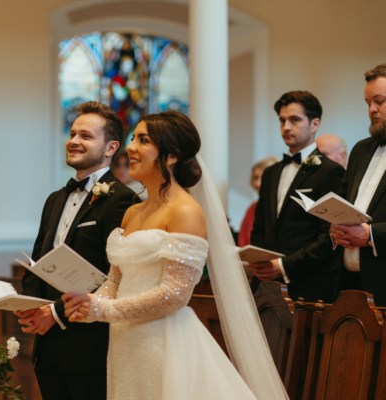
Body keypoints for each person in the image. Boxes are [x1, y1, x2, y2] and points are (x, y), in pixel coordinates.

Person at [62, 111, 288, 399]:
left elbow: (176, 293)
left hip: (163, 340)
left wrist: (104, 310)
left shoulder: (185, 211)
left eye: (143, 140)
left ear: (170, 156)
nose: (130, 148)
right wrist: (90, 303)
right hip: (125, 341)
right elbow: (116, 280)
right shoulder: (132, 212)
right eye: (133, 139)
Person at [16, 101, 136, 400]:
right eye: (72, 133)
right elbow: (40, 258)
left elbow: (115, 276)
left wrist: (55, 312)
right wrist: (28, 303)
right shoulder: (55, 199)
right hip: (47, 345)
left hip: (89, 346)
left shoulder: (123, 200)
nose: (73, 141)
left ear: (110, 147)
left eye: (86, 136)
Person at [249, 91, 345, 302]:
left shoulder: (330, 172)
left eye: (295, 120)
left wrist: (283, 266)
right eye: (282, 120)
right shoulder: (271, 172)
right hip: (266, 285)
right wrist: (259, 262)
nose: (286, 127)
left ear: (314, 124)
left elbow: (329, 237)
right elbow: (260, 228)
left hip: (309, 286)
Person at [331, 63, 386, 306]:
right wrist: (334, 228)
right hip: (348, 285)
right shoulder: (361, 150)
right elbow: (344, 201)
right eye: (367, 103)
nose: (372, 109)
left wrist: (370, 234)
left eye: (379, 101)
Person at [237, 156, 279, 247]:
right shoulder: (252, 208)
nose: (258, 183)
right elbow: (242, 242)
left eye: (263, 177)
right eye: (255, 178)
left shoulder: (282, 207)